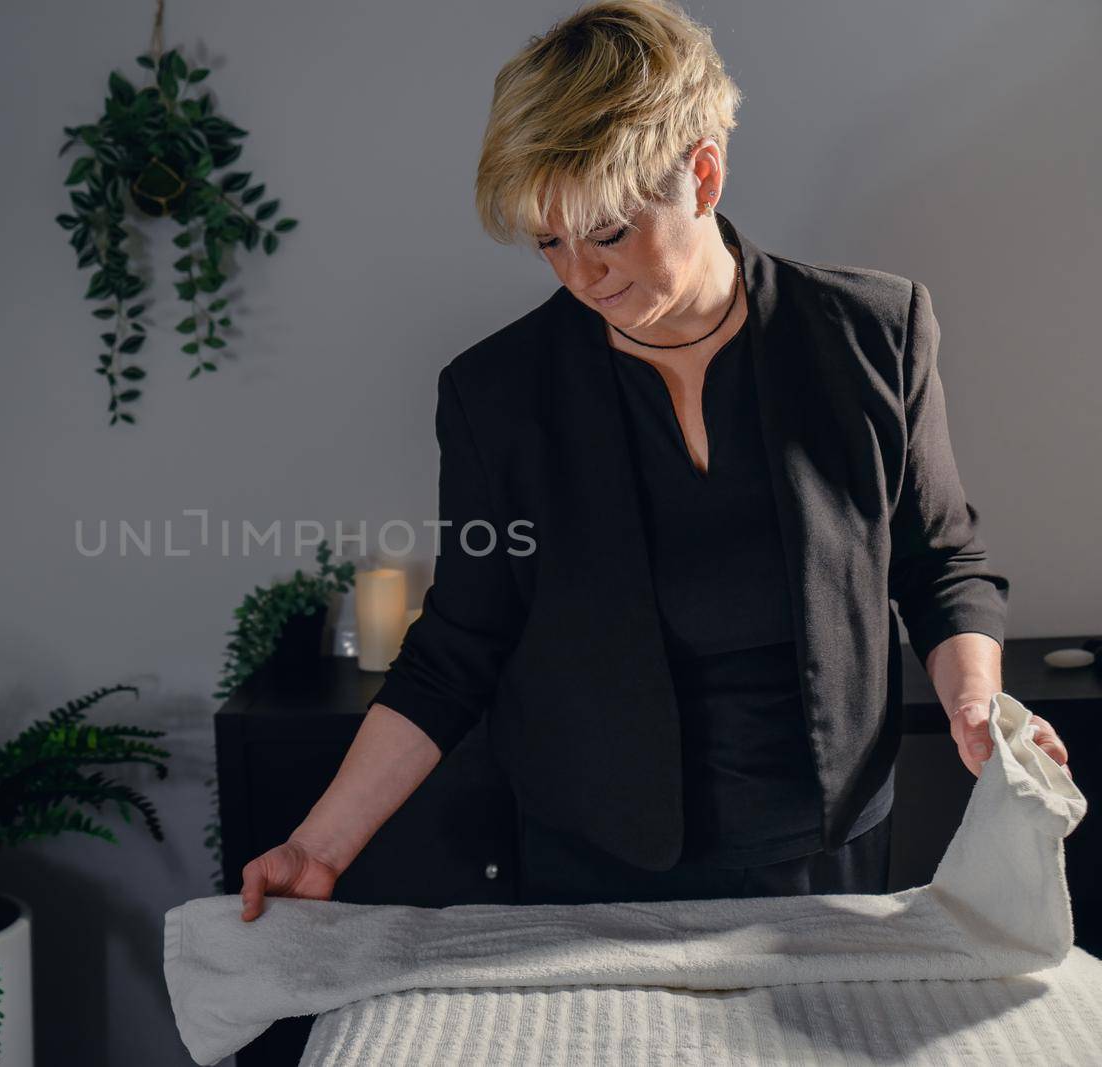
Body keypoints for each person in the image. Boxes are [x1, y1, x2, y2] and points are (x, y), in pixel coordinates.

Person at [240, 0, 1072, 920]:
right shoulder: (498, 395)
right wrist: (316, 846)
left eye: (604, 233)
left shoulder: (870, 335)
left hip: (826, 846)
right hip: (593, 856)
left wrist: (973, 704)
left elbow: (940, 560)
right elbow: (457, 649)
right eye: (548, 242)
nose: (579, 275)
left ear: (703, 176)